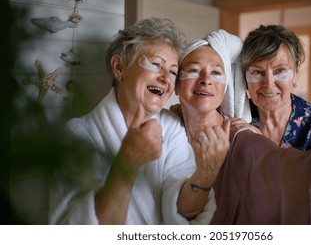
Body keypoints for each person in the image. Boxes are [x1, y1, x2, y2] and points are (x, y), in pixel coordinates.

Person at [175, 29, 311, 224]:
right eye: (257, 72)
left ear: (296, 74)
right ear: (243, 78)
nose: (268, 83)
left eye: (280, 71)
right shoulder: (237, 118)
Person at [49, 17, 219, 225]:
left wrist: (204, 175)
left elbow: (182, 213)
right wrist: (128, 162)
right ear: (119, 67)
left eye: (173, 72)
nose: (166, 78)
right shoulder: (76, 135)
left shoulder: (171, 126)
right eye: (156, 64)